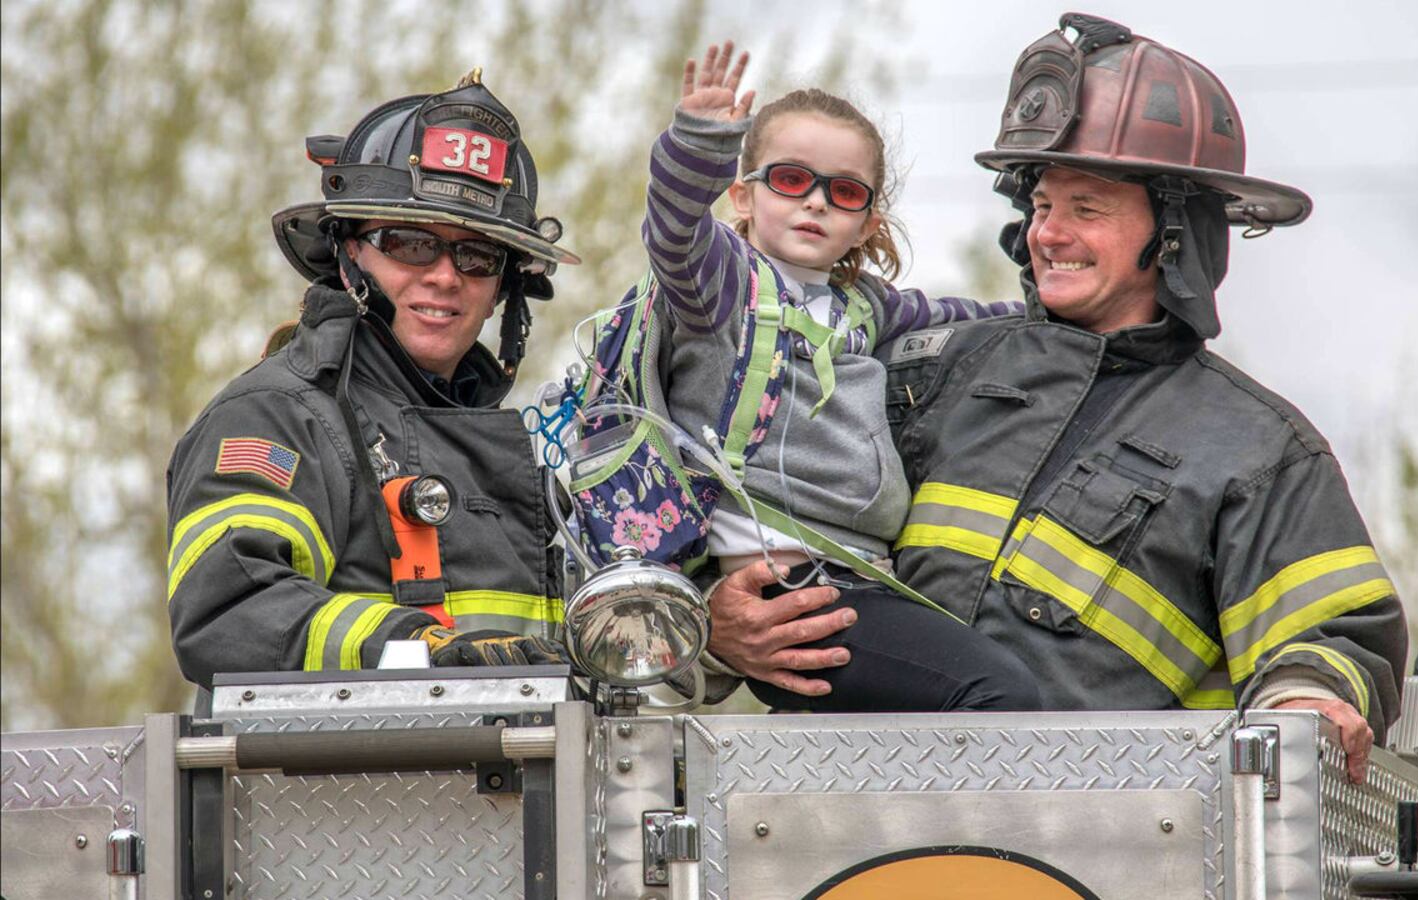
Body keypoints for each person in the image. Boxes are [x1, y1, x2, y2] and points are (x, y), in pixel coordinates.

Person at [703, 13, 1408, 780]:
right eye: (1041, 205)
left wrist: (1307, 699)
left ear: (1173, 233)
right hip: (849, 822)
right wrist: (717, 626)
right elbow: (740, 487)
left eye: (1087, 209)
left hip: (1097, 849)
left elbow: (1339, 633)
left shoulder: (1260, 449)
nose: (1049, 234)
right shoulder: (924, 371)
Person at [623, 42, 1037, 712]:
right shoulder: (721, 289)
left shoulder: (865, 307)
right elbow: (674, 232)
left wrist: (1054, 305)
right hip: (791, 589)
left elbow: (974, 321)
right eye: (790, 179)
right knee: (1000, 695)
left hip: (861, 578)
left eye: (842, 191)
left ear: (867, 221)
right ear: (743, 195)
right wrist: (696, 144)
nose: (815, 202)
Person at [166, 71, 576, 686]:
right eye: (409, 243)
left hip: (530, 775)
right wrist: (421, 649)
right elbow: (229, 613)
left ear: (504, 290)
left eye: (477, 255)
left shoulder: (534, 453)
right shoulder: (277, 416)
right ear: (350, 253)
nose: (444, 276)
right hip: (340, 782)